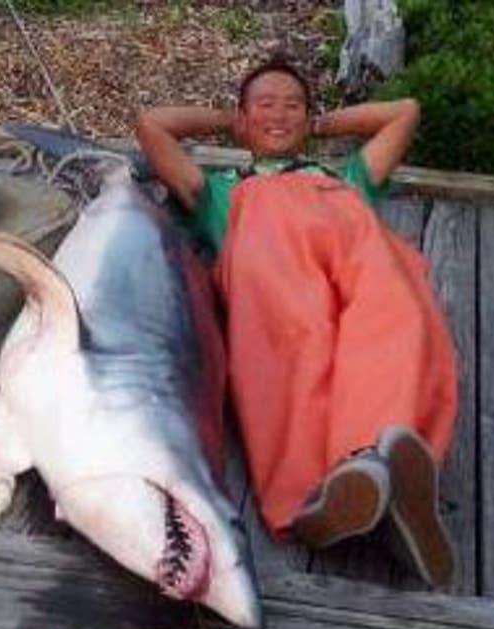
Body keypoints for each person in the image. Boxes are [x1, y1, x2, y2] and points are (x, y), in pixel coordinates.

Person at [135, 57, 458, 587]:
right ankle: (328, 496)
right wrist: (231, 119)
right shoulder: (218, 190)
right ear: (243, 121)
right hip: (274, 266)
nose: (280, 114)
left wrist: (317, 125)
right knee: (294, 345)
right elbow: (153, 126)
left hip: (358, 252)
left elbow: (405, 112)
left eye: (293, 106)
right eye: (265, 105)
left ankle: (381, 463)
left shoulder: (348, 176)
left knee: (398, 317)